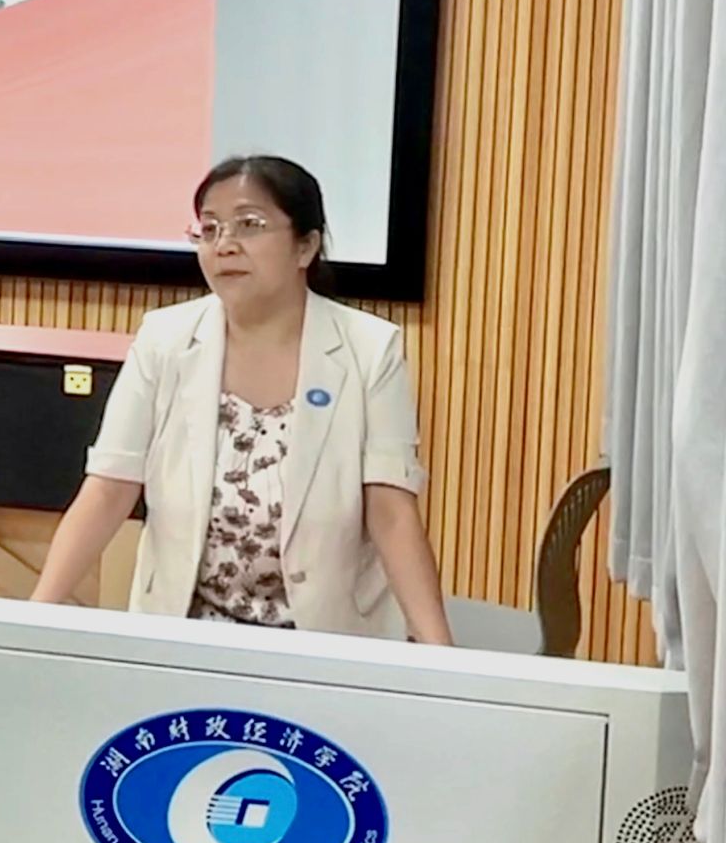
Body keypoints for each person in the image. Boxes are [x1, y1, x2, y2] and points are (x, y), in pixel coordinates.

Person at [30, 155, 452, 643]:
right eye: (209, 229)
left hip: (326, 640)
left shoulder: (370, 350)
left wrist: (440, 657)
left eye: (249, 225)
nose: (224, 245)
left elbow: (391, 511)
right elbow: (108, 489)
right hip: (185, 634)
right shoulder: (164, 340)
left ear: (306, 246)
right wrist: (34, 619)